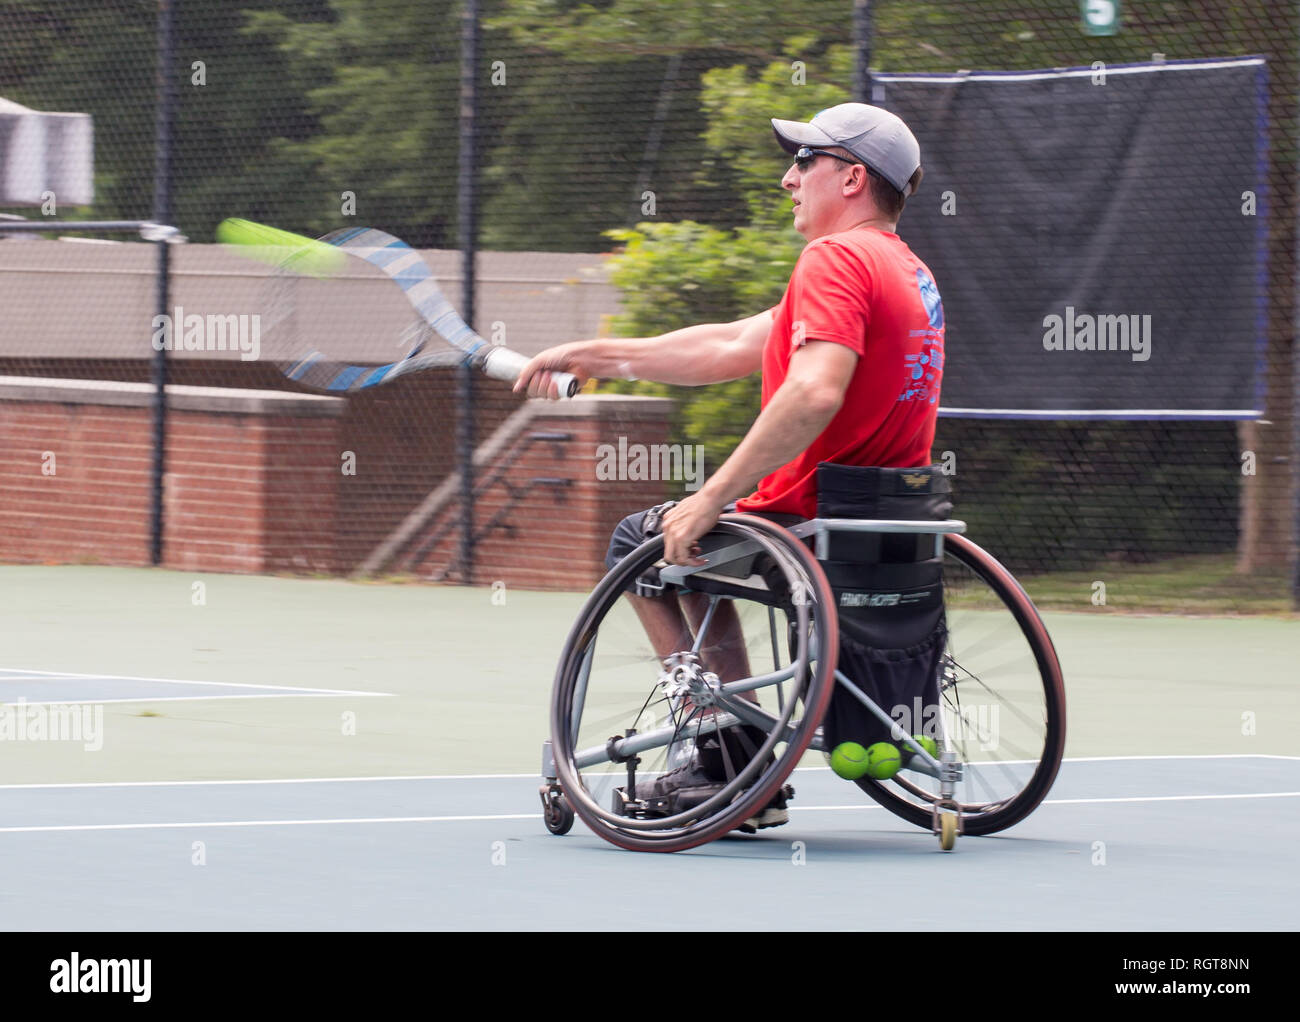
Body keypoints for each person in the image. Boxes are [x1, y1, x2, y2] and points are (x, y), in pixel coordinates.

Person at [515, 102, 946, 831]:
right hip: (888, 525)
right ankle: (739, 748)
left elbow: (813, 391)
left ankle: (727, 753)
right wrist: (595, 354)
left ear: (851, 178)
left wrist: (714, 496)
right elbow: (728, 345)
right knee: (686, 537)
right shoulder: (906, 272)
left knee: (643, 543)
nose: (788, 179)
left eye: (804, 163)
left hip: (806, 523)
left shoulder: (834, 260)